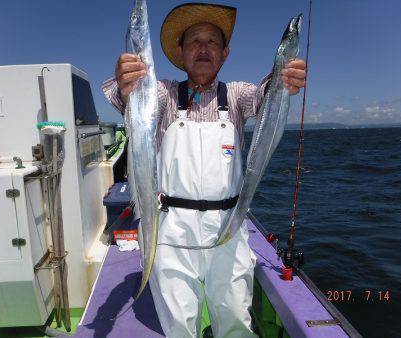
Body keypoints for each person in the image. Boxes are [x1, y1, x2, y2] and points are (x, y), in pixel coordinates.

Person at [103, 3, 306, 337]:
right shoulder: (164, 95)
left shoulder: (237, 96)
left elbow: (266, 96)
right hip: (170, 230)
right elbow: (131, 102)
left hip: (228, 227)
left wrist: (283, 80)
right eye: (194, 41)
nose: (202, 48)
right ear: (181, 53)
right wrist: (129, 84)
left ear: (224, 54)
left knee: (235, 321)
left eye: (211, 42)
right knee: (179, 325)